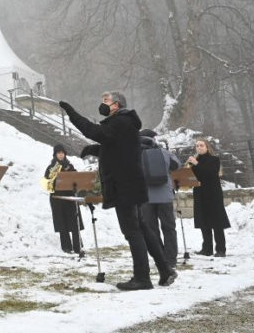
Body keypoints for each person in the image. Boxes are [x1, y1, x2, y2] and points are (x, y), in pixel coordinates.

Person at [60, 92, 176, 290]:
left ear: (116, 105)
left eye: (105, 101)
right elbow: (118, 149)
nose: (102, 104)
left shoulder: (120, 121)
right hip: (131, 183)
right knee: (142, 228)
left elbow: (93, 131)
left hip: (124, 186)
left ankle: (142, 278)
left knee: (132, 231)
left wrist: (72, 113)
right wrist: (95, 150)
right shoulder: (125, 123)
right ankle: (165, 270)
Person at [139, 129, 181, 268]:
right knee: (169, 228)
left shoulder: (135, 154)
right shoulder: (163, 152)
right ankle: (171, 259)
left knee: (151, 229)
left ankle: (160, 257)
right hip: (165, 196)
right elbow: (176, 165)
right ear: (153, 139)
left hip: (145, 197)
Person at [187, 138, 231, 257]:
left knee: (216, 222)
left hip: (213, 194)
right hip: (200, 193)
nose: (199, 147)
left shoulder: (214, 160)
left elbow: (210, 173)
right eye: (197, 146)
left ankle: (221, 250)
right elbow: (192, 177)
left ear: (207, 147)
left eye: (201, 145)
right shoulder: (194, 161)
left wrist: (196, 164)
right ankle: (207, 249)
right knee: (203, 222)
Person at [45, 144, 84, 255]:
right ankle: (66, 247)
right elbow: (47, 180)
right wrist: (56, 169)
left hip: (70, 197)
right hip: (57, 198)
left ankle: (78, 247)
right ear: (55, 154)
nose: (61, 155)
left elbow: (76, 179)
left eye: (62, 152)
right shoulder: (51, 166)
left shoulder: (69, 166)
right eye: (58, 153)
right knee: (62, 223)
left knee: (74, 222)